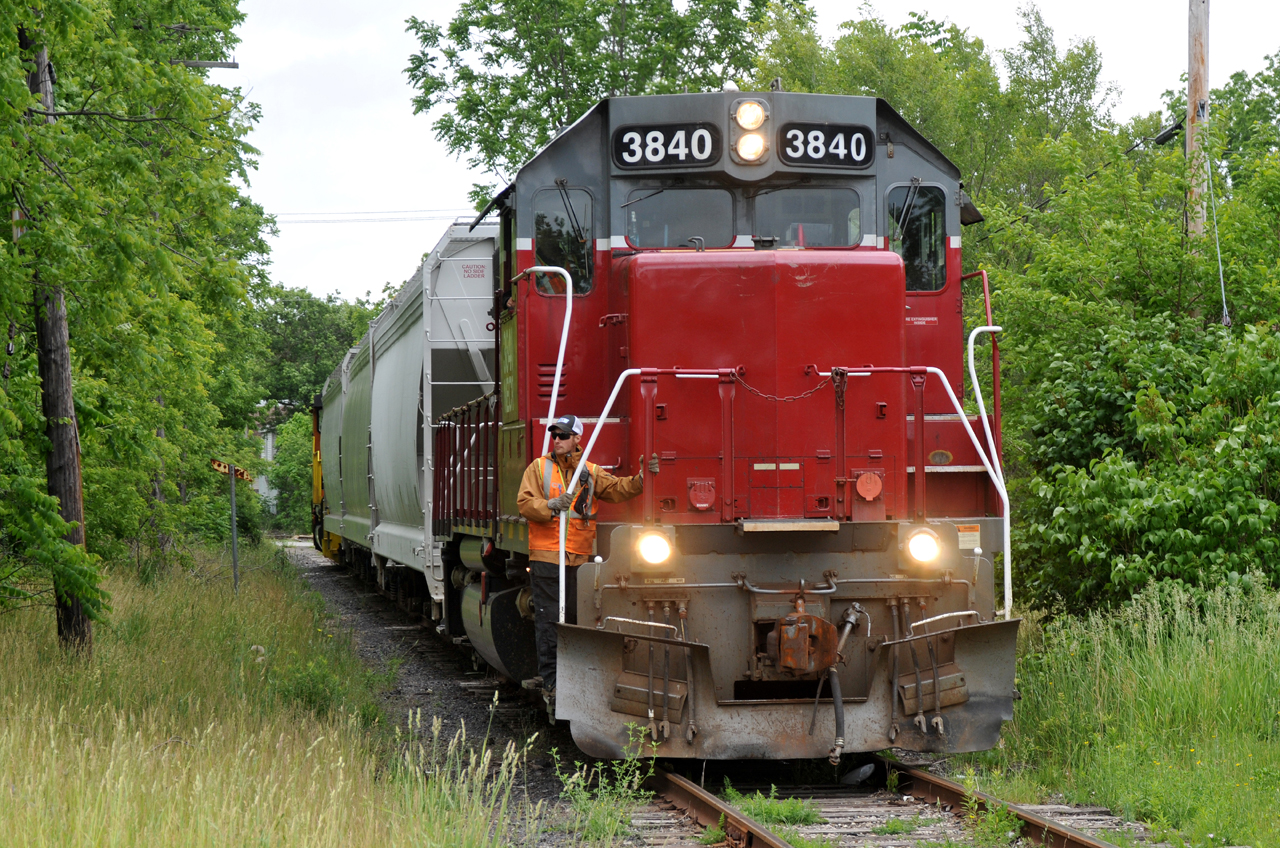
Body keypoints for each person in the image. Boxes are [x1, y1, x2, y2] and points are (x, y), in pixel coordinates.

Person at [516, 414, 658, 714]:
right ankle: (553, 684)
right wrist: (550, 506)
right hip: (546, 559)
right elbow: (525, 503)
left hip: (579, 561)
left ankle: (583, 681)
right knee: (550, 623)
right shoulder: (538, 468)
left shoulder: (591, 472)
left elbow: (619, 489)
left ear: (578, 439)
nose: (557, 439)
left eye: (563, 435)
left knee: (579, 623)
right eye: (554, 434)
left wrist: (645, 479)